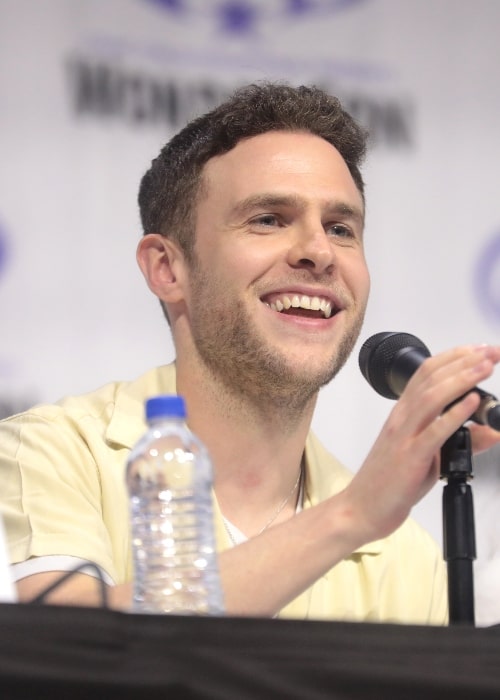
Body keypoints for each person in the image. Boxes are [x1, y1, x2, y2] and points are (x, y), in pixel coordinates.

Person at [1, 82, 500, 623]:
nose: (318, 252)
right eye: (268, 218)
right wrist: (350, 517)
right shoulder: (50, 454)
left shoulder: (406, 558)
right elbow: (65, 647)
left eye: (340, 228)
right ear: (168, 268)